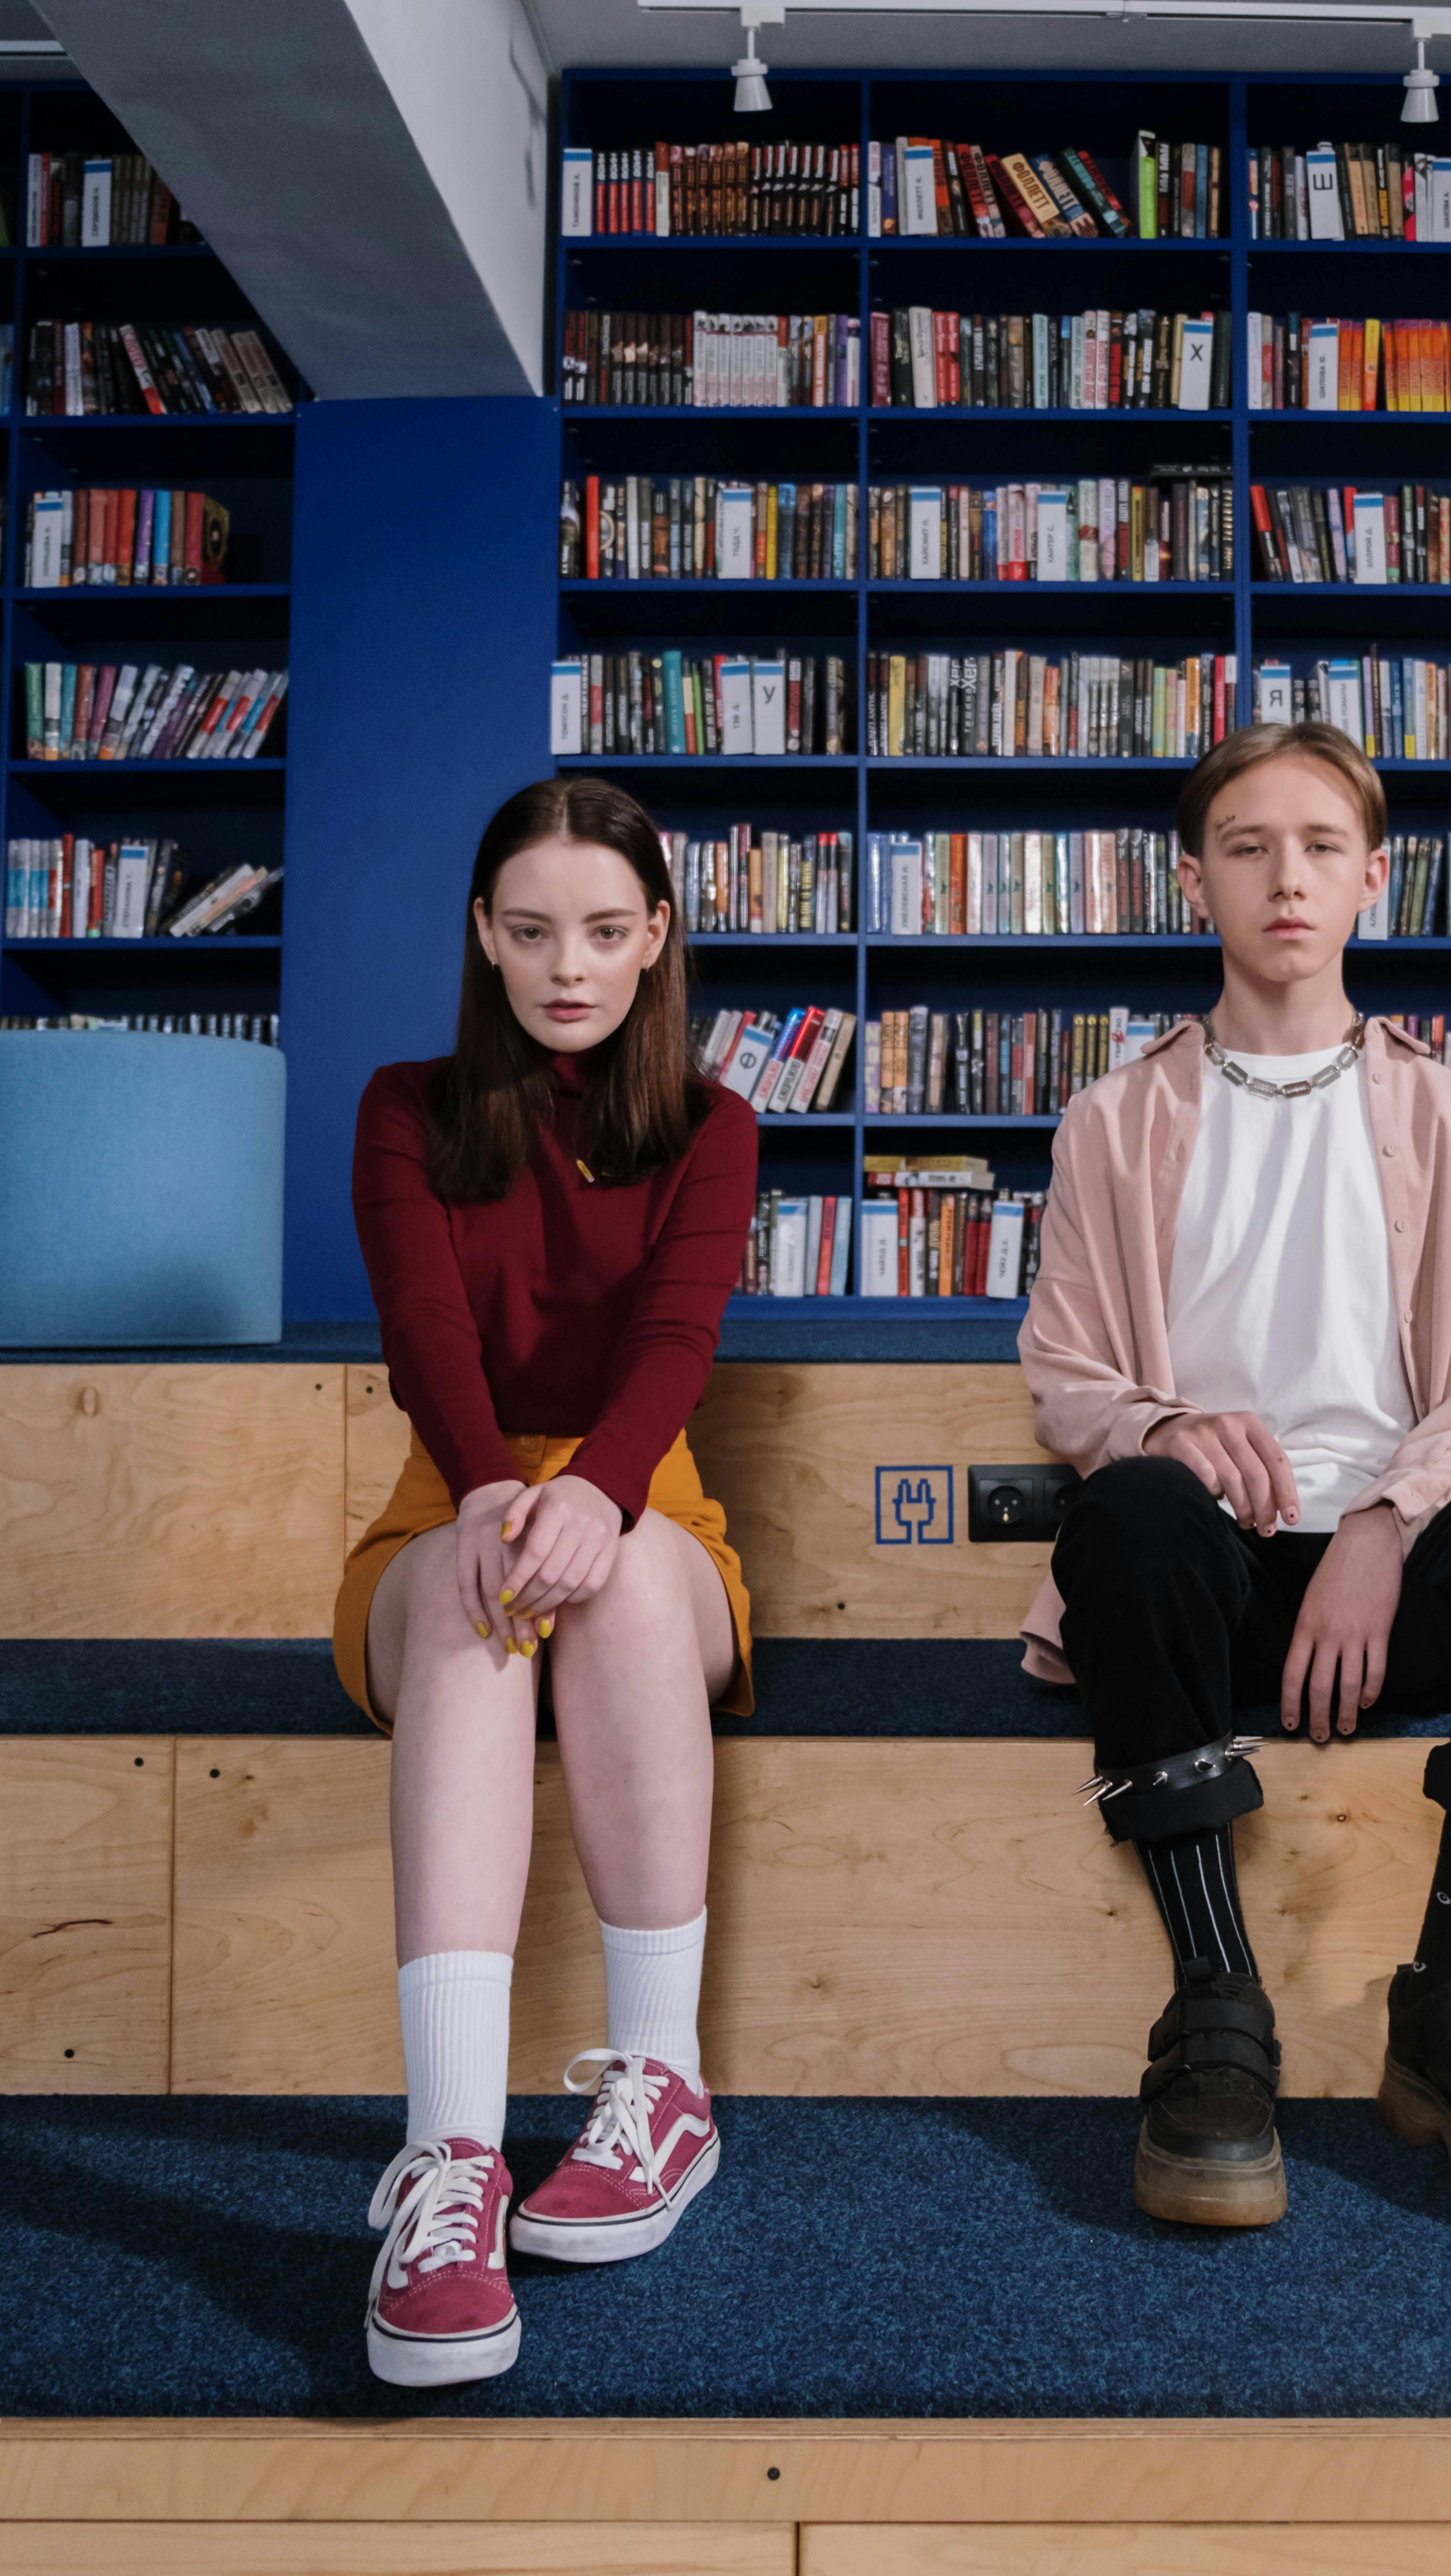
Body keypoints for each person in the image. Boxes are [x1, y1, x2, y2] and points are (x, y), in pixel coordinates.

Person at [1017, 722, 1451, 2233]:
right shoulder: (1113, 1122)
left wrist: (1382, 1517)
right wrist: (1161, 1428)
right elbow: (1065, 1371)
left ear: (1371, 874)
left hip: (1388, 1585)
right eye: (1244, 846)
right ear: (1194, 880)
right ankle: (1216, 2006)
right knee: (1130, 1507)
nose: (1282, 877)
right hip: (1199, 1586)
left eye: (1315, 846)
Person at [333, 775, 757, 2386]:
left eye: (600, 930)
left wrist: (595, 1488)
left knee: (632, 1572)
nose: (565, 967)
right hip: (452, 1494)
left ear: (656, 937)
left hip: (650, 1498)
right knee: (468, 1577)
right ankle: (451, 2161)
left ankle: (661, 2081)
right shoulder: (403, 1105)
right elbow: (428, 1343)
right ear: (482, 936)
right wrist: (507, 1492)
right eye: (529, 932)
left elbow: (673, 1347)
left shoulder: (714, 1126)